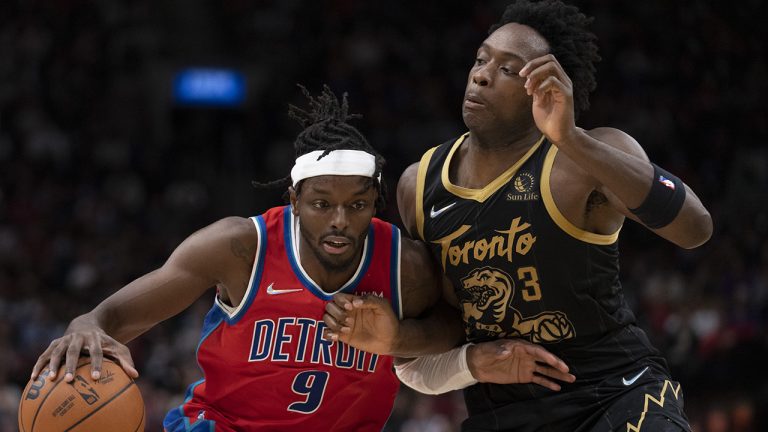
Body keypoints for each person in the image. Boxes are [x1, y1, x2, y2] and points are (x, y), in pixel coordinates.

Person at [30, 86, 574, 431]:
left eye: (357, 205)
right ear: (293, 200)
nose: (339, 220)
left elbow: (451, 329)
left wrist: (395, 338)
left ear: (375, 202)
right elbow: (112, 317)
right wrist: (87, 323)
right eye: (321, 204)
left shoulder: (404, 266)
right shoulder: (239, 247)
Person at [324, 1, 713, 431]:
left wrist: (570, 138)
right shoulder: (420, 184)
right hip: (503, 409)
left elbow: (695, 227)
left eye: (508, 69)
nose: (481, 75)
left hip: (614, 390)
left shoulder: (584, 158)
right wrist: (398, 339)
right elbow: (453, 318)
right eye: (481, 59)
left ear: (546, 87)